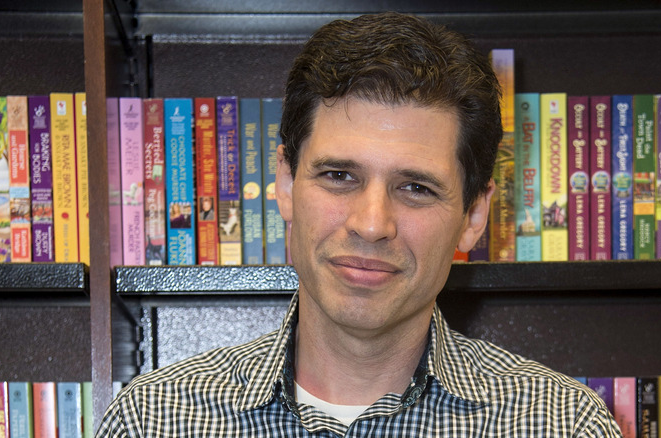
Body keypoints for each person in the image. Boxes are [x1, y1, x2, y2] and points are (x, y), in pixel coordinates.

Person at [96, 12, 622, 437]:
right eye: (339, 175)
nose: (372, 224)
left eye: (416, 187)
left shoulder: (562, 423)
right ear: (285, 182)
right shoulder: (151, 421)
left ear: (473, 216)